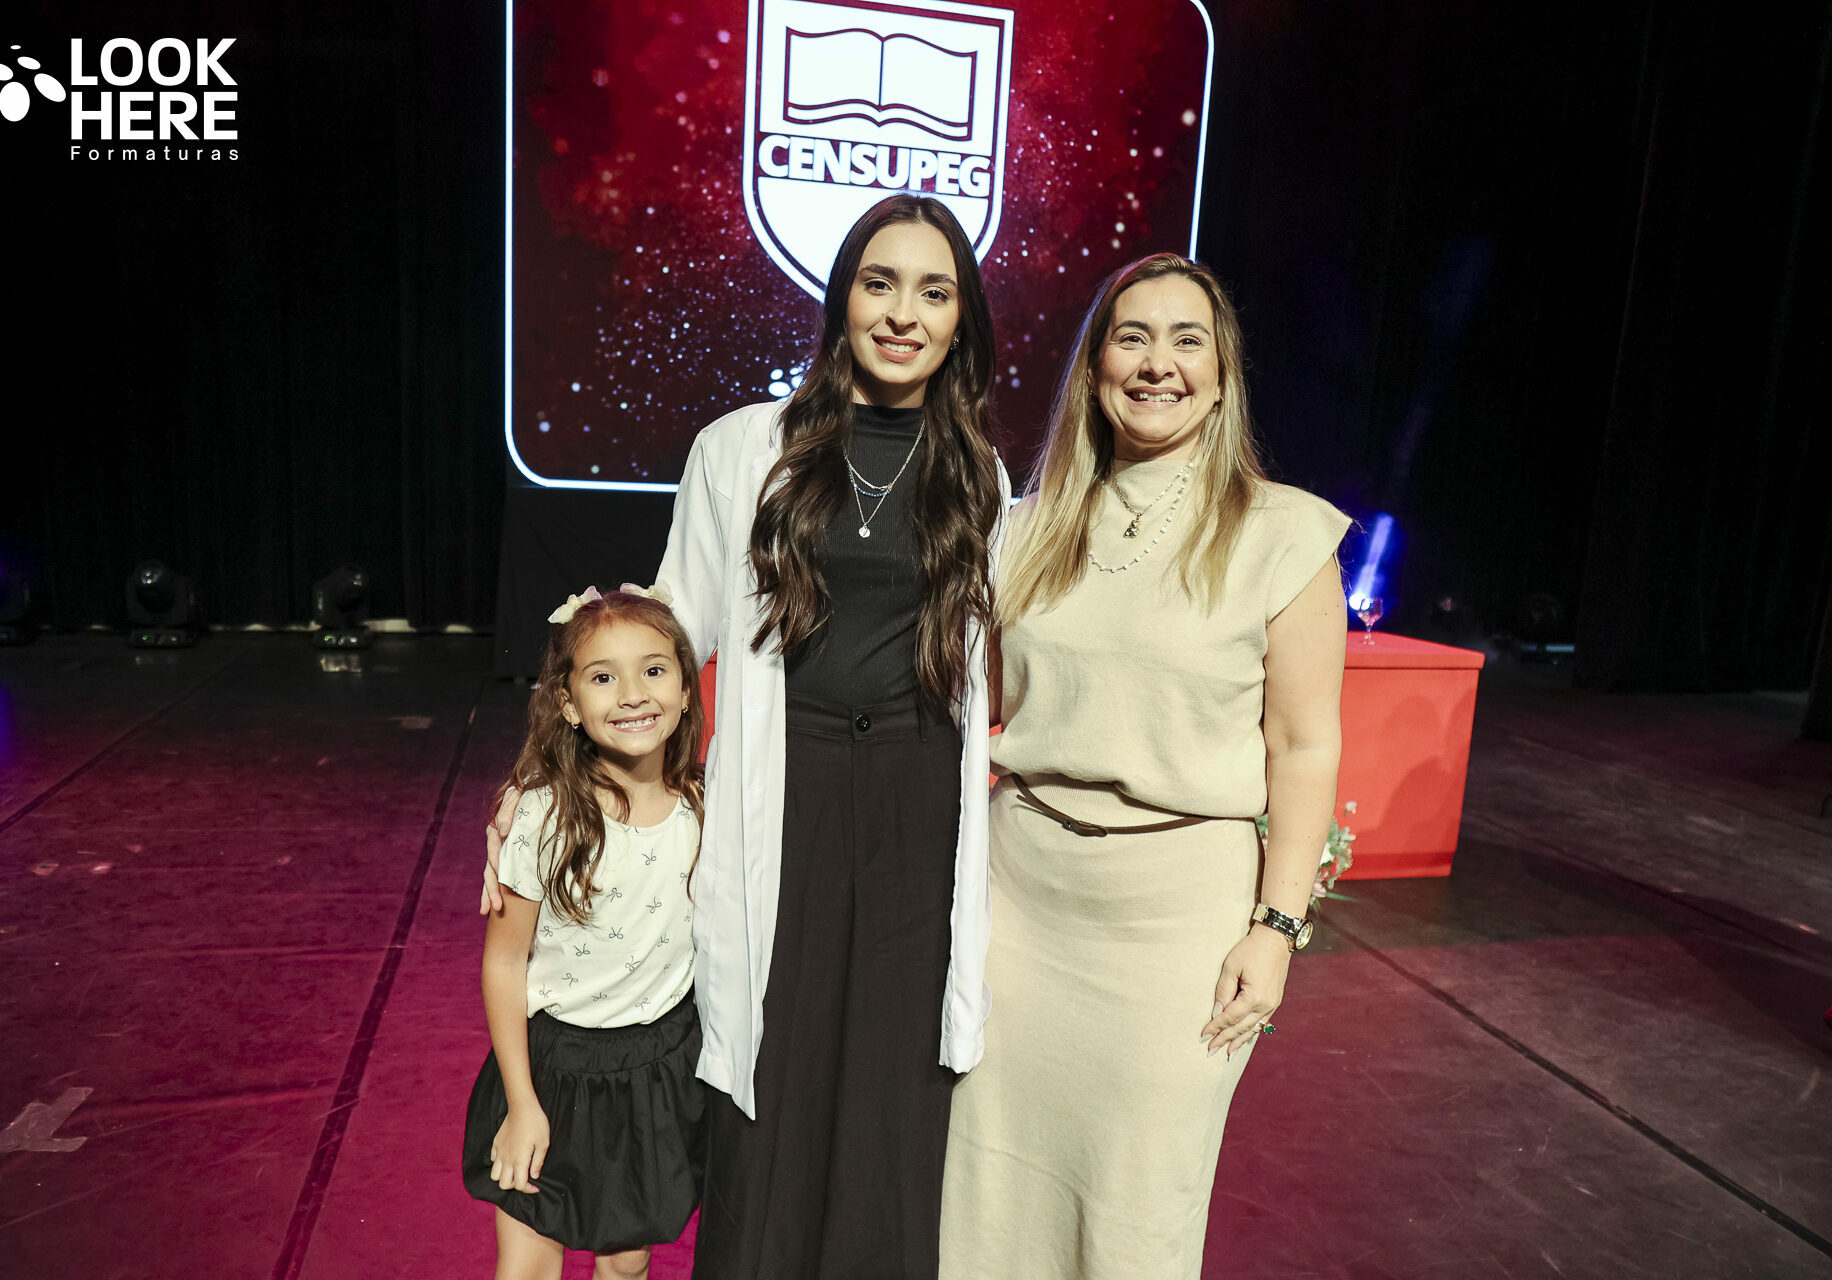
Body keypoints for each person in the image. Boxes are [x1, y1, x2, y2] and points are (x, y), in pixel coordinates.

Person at [485, 195, 1011, 1279]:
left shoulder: (979, 474)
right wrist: (543, 771)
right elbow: (663, 634)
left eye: (934, 291)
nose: (903, 313)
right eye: (879, 282)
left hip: (919, 801)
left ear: (962, 318)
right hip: (787, 789)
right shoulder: (741, 447)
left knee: (895, 1072)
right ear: (842, 297)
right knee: (776, 1058)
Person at [939, 254, 1351, 1279]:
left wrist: (1277, 928)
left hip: (1176, 927)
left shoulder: (1284, 534)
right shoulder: (1024, 529)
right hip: (1018, 908)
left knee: (1137, 1204)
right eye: (1132, 337)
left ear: (1221, 375)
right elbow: (966, 707)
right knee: (987, 1186)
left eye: (1186, 340)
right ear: (1094, 369)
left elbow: (1304, 745)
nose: (1157, 363)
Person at [464, 585, 708, 1280]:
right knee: (528, 1266)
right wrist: (522, 1104)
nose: (632, 694)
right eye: (603, 677)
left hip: (655, 1071)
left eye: (653, 670)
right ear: (568, 704)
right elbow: (504, 964)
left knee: (627, 1262)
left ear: (686, 688)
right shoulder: (542, 818)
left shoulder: (707, 807)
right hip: (554, 1069)